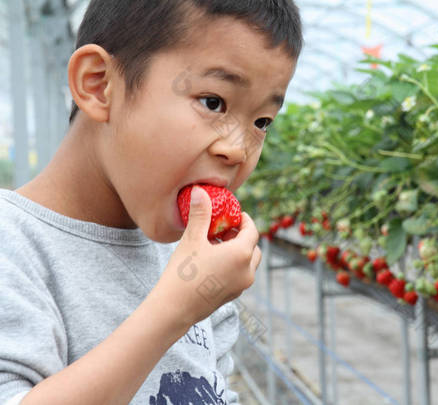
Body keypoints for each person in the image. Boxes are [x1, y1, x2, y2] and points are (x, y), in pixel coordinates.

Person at [0, 1, 302, 404]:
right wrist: (174, 309)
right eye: (213, 102)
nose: (238, 149)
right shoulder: (14, 248)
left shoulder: (191, 261)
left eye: (261, 121)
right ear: (98, 84)